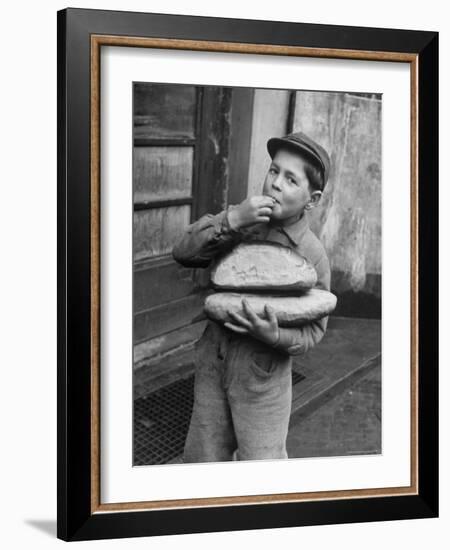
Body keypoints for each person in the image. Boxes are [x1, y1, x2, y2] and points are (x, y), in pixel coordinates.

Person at [172, 131, 332, 463]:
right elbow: (183, 253)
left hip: (264, 375)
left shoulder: (313, 255)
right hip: (213, 362)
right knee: (204, 454)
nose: (275, 183)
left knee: (262, 462)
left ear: (312, 199)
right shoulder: (238, 224)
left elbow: (314, 330)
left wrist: (276, 335)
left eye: (291, 179)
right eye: (274, 171)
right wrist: (231, 219)